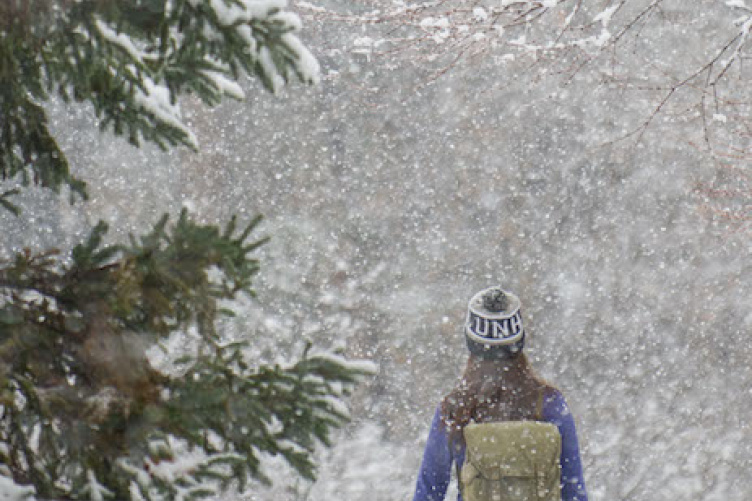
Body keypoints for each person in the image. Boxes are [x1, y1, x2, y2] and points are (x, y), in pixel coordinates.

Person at [412, 286, 588, 501]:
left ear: (472, 343)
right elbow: (573, 488)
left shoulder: (455, 408)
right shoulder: (549, 403)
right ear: (518, 341)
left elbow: (429, 490)